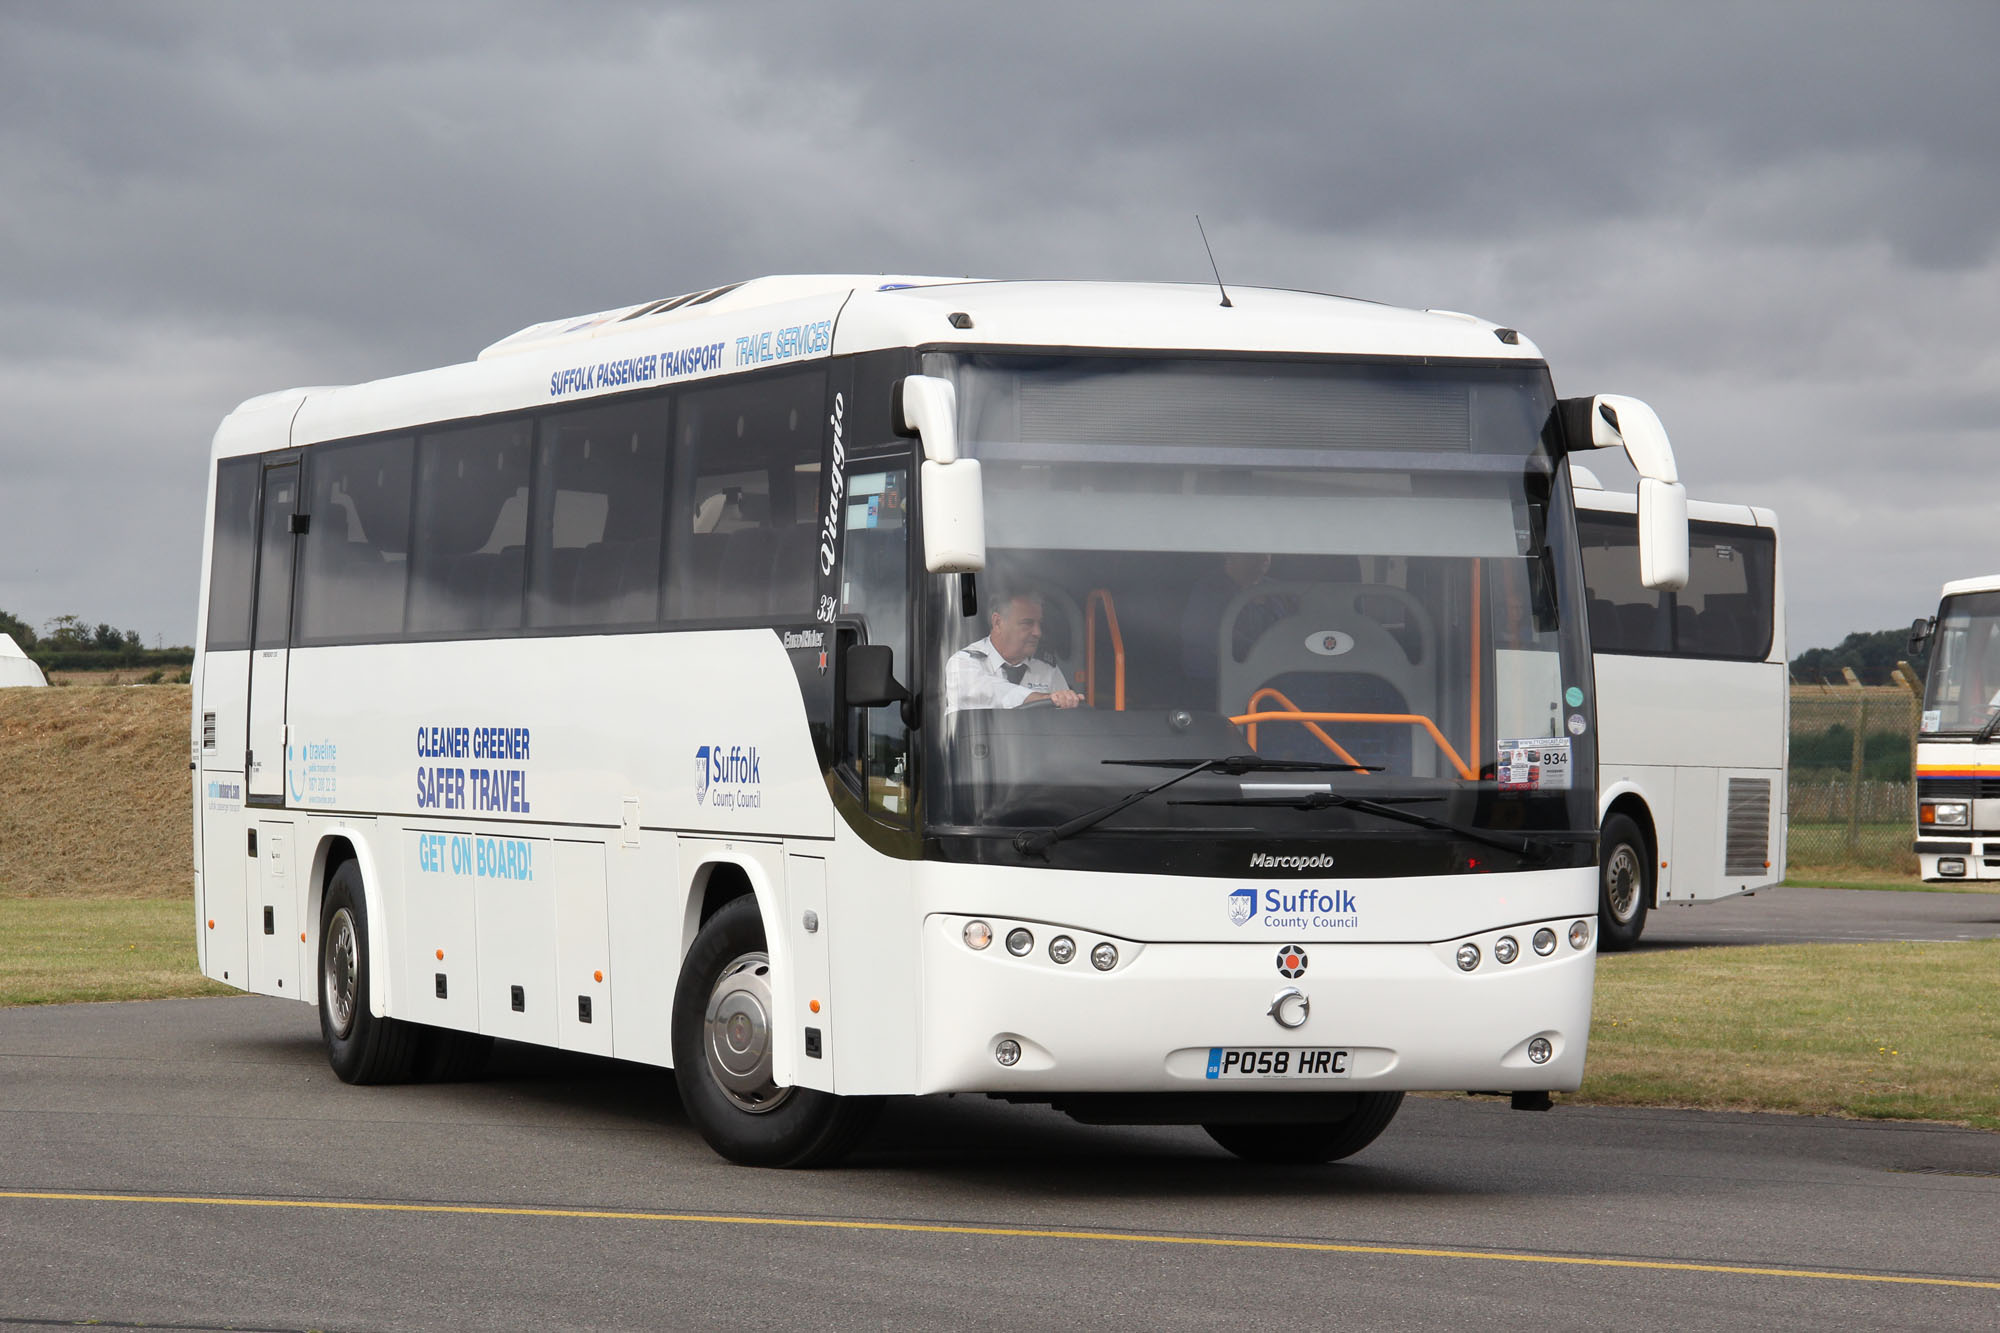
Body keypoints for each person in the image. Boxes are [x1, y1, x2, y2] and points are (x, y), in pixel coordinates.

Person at [946, 588, 1083, 714]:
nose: (1038, 632)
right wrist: (1045, 699)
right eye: (1027, 623)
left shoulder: (1047, 669)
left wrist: (1064, 700)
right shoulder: (963, 662)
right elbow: (991, 694)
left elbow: (1067, 719)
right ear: (998, 622)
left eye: (1039, 624)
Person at [1179, 553, 1297, 684]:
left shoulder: (1279, 590)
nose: (1264, 557)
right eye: (1254, 551)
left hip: (1273, 680)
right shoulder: (1208, 590)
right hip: (1216, 683)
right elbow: (1214, 637)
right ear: (1229, 554)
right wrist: (1267, 655)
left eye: (1267, 551)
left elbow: (1296, 629)